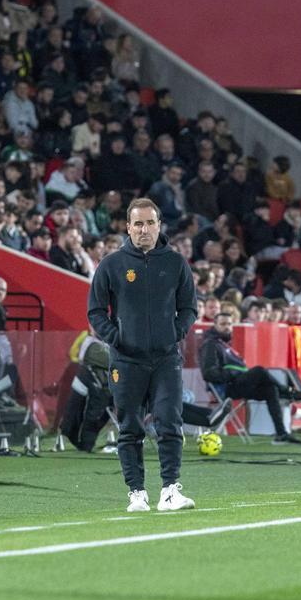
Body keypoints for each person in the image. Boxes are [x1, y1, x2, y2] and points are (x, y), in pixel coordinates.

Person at [88, 197, 197, 513]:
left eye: (150, 223)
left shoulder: (175, 263)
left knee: (168, 423)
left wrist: (175, 333)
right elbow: (95, 311)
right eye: (138, 223)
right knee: (130, 427)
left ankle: (169, 491)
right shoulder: (111, 265)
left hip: (165, 359)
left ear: (159, 226)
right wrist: (116, 338)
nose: (144, 229)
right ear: (128, 227)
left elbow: (189, 307)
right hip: (126, 360)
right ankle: (137, 493)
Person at [198, 310, 301, 444]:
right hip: (227, 387)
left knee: (270, 389)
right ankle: (287, 391)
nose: (227, 327)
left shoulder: (224, 344)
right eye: (223, 324)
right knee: (259, 370)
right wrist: (234, 373)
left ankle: (281, 434)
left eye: (229, 324)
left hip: (236, 383)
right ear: (215, 325)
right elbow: (209, 373)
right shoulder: (210, 345)